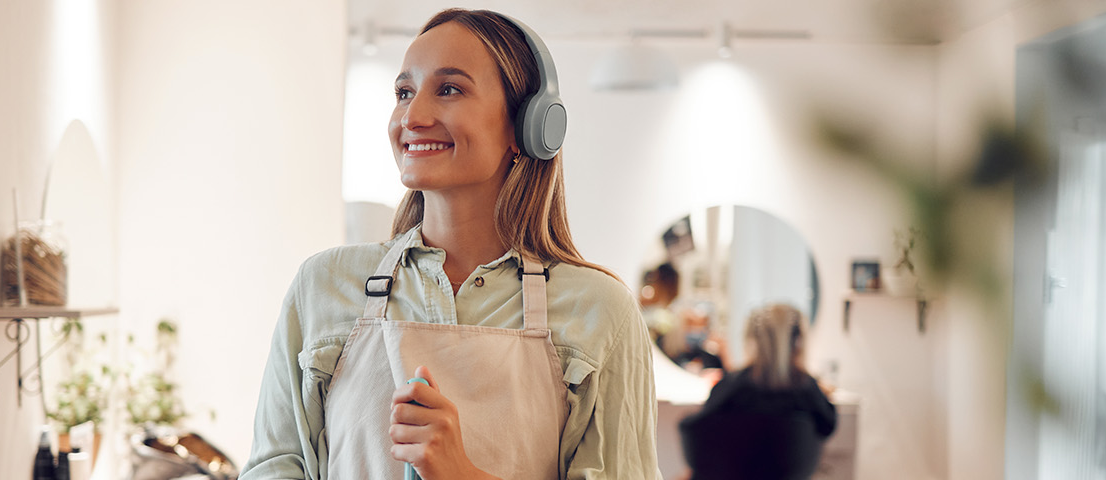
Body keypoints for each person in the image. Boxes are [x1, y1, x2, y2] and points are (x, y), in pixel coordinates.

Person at [240, 8, 661, 480]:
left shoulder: (601, 311)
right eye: (404, 92)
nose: (412, 117)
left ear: (526, 126)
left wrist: (461, 472)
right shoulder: (322, 285)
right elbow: (272, 469)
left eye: (449, 89)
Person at [677, 304, 836, 480]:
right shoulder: (806, 387)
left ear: (752, 338)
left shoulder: (733, 384)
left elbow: (695, 427)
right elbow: (828, 425)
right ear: (799, 341)